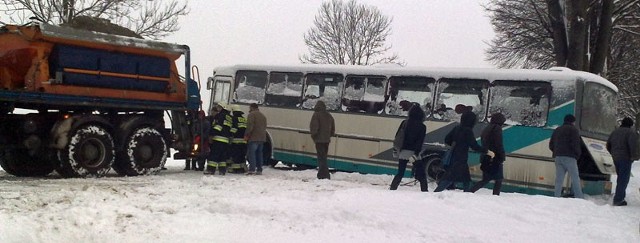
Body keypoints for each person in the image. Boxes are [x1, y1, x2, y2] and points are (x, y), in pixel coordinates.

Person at [434, 111, 494, 192]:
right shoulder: (468, 131)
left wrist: (456, 143)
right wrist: (487, 151)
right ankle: (436, 193)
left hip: (454, 156)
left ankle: (466, 194)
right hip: (461, 158)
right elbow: (474, 146)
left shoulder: (457, 128)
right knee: (450, 178)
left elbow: (447, 139)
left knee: (466, 179)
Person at [389, 104, 427, 191]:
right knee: (422, 174)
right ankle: (424, 191)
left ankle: (392, 188)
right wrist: (416, 154)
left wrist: (396, 150)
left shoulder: (404, 123)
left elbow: (398, 137)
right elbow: (419, 142)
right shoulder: (422, 126)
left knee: (400, 173)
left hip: (403, 152)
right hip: (413, 153)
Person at [469, 113, 506, 195]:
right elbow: (498, 144)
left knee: (486, 179)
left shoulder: (488, 128)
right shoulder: (497, 128)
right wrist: (502, 155)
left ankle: (471, 191)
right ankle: (495, 195)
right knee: (498, 179)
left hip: (486, 157)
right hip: (494, 157)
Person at [548, 114, 584, 198]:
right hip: (570, 157)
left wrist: (557, 151)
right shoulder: (574, 130)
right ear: (572, 121)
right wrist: (577, 155)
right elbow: (576, 144)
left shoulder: (557, 130)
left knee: (559, 179)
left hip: (558, 157)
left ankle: (556, 196)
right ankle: (579, 197)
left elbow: (551, 144)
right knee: (575, 178)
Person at [606, 117, 639, 206]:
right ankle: (618, 199)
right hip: (625, 158)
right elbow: (632, 145)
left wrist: (613, 153)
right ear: (630, 125)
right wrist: (633, 157)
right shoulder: (630, 133)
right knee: (623, 179)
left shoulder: (615, 132)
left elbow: (608, 144)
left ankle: (620, 196)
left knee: (620, 177)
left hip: (616, 157)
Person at [309, 100, 335, 180]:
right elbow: (333, 129)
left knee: (321, 158)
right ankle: (323, 174)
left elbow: (314, 128)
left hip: (319, 140)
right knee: (324, 157)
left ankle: (323, 175)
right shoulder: (329, 115)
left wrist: (314, 136)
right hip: (327, 140)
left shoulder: (316, 115)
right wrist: (329, 136)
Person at [205, 103, 232, 175]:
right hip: (225, 140)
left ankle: (210, 170)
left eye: (219, 107)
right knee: (222, 156)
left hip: (218, 138)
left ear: (222, 108)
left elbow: (217, 127)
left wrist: (211, 134)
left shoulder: (219, 116)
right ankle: (222, 170)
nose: (217, 108)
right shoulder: (229, 117)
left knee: (214, 154)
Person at [244, 103, 267, 175]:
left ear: (252, 108)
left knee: (252, 154)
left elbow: (250, 126)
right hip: (262, 138)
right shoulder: (263, 116)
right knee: (259, 154)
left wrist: (246, 134)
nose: (249, 109)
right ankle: (259, 169)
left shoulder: (251, 115)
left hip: (254, 138)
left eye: (250, 108)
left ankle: (252, 169)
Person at [229, 105, 248, 173]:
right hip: (244, 141)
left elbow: (234, 128)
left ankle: (235, 168)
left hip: (236, 140)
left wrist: (230, 135)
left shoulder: (234, 118)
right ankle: (242, 168)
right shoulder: (244, 119)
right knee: (242, 155)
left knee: (235, 155)